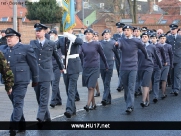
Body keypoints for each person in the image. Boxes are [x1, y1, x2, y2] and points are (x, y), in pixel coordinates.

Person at [2, 28, 39, 135]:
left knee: (18, 102)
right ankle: (22, 125)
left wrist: (35, 80)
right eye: (7, 37)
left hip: (21, 81)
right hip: (8, 82)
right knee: (15, 104)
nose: (8, 39)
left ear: (17, 38)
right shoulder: (4, 49)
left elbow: (34, 65)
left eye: (10, 37)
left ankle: (13, 127)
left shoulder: (26, 48)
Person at [30, 23, 64, 122]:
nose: (37, 33)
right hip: (36, 74)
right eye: (36, 31)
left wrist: (61, 67)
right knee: (38, 96)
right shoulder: (32, 43)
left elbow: (57, 56)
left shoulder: (51, 43)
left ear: (44, 32)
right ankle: (47, 117)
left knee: (44, 96)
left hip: (46, 73)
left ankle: (40, 116)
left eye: (39, 31)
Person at [115, 25, 148, 113]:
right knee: (126, 87)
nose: (126, 31)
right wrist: (117, 45)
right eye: (125, 30)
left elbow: (143, 49)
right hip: (123, 67)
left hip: (133, 67)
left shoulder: (136, 41)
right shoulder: (121, 40)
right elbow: (119, 45)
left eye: (128, 30)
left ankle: (130, 106)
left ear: (132, 31)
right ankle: (128, 103)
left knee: (131, 87)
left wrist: (147, 56)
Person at [80, 28, 108, 112]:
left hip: (95, 67)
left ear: (92, 35)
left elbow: (102, 55)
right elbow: (79, 53)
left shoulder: (97, 44)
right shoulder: (83, 44)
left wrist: (106, 65)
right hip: (86, 68)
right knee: (89, 87)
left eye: (89, 34)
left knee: (91, 86)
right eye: (86, 34)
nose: (87, 35)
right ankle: (94, 104)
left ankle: (87, 105)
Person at [60, 29, 83, 118]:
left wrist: (70, 36)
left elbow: (80, 42)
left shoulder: (74, 38)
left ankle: (68, 109)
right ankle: (73, 109)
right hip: (65, 67)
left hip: (74, 67)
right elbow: (54, 47)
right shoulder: (62, 40)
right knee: (67, 89)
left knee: (71, 89)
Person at [136, 32, 162, 107]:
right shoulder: (138, 47)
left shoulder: (152, 47)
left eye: (146, 36)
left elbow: (156, 57)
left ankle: (143, 101)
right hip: (140, 67)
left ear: (148, 38)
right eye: (143, 36)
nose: (144, 38)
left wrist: (160, 65)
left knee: (145, 84)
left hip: (149, 67)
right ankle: (147, 100)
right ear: (141, 38)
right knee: (143, 85)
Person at [100, 29, 119, 106]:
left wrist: (119, 63)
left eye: (107, 34)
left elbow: (117, 54)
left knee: (107, 82)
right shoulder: (100, 43)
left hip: (110, 65)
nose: (105, 35)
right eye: (104, 34)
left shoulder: (113, 43)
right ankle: (109, 99)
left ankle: (104, 98)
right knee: (105, 82)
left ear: (110, 35)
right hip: (102, 65)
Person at [150, 33, 166, 103]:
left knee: (156, 81)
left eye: (154, 38)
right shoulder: (148, 46)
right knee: (151, 81)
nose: (152, 39)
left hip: (157, 65)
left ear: (156, 38)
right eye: (151, 38)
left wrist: (164, 62)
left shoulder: (160, 46)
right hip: (150, 66)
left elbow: (163, 55)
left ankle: (155, 96)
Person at [166, 24, 181, 96]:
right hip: (170, 59)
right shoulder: (167, 38)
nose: (172, 31)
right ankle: (173, 88)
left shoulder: (180, 37)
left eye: (174, 29)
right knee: (171, 74)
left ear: (177, 30)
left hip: (179, 59)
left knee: (177, 74)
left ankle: (176, 89)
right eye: (171, 29)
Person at [48, 29, 62, 108]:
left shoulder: (59, 42)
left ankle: (53, 101)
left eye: (52, 34)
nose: (51, 35)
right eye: (50, 34)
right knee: (53, 83)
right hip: (50, 65)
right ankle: (58, 100)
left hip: (57, 65)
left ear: (56, 35)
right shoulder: (49, 43)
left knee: (55, 83)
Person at [159, 34, 173, 99]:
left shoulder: (169, 46)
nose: (162, 39)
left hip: (166, 64)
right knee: (157, 79)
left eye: (164, 38)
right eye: (161, 38)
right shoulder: (156, 46)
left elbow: (171, 55)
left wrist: (171, 64)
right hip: (158, 65)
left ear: (165, 39)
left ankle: (163, 93)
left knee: (164, 79)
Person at [112, 22, 125, 92]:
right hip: (117, 55)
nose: (118, 29)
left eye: (119, 27)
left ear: (122, 28)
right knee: (118, 70)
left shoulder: (125, 35)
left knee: (122, 70)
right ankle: (121, 83)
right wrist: (113, 55)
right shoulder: (115, 36)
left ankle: (120, 85)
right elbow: (113, 46)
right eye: (117, 27)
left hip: (123, 54)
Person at [93, 31, 101, 97]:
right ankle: (97, 91)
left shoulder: (99, 44)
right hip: (92, 63)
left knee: (95, 78)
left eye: (96, 36)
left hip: (98, 62)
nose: (94, 37)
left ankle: (97, 91)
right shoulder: (91, 44)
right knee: (95, 79)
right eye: (94, 36)